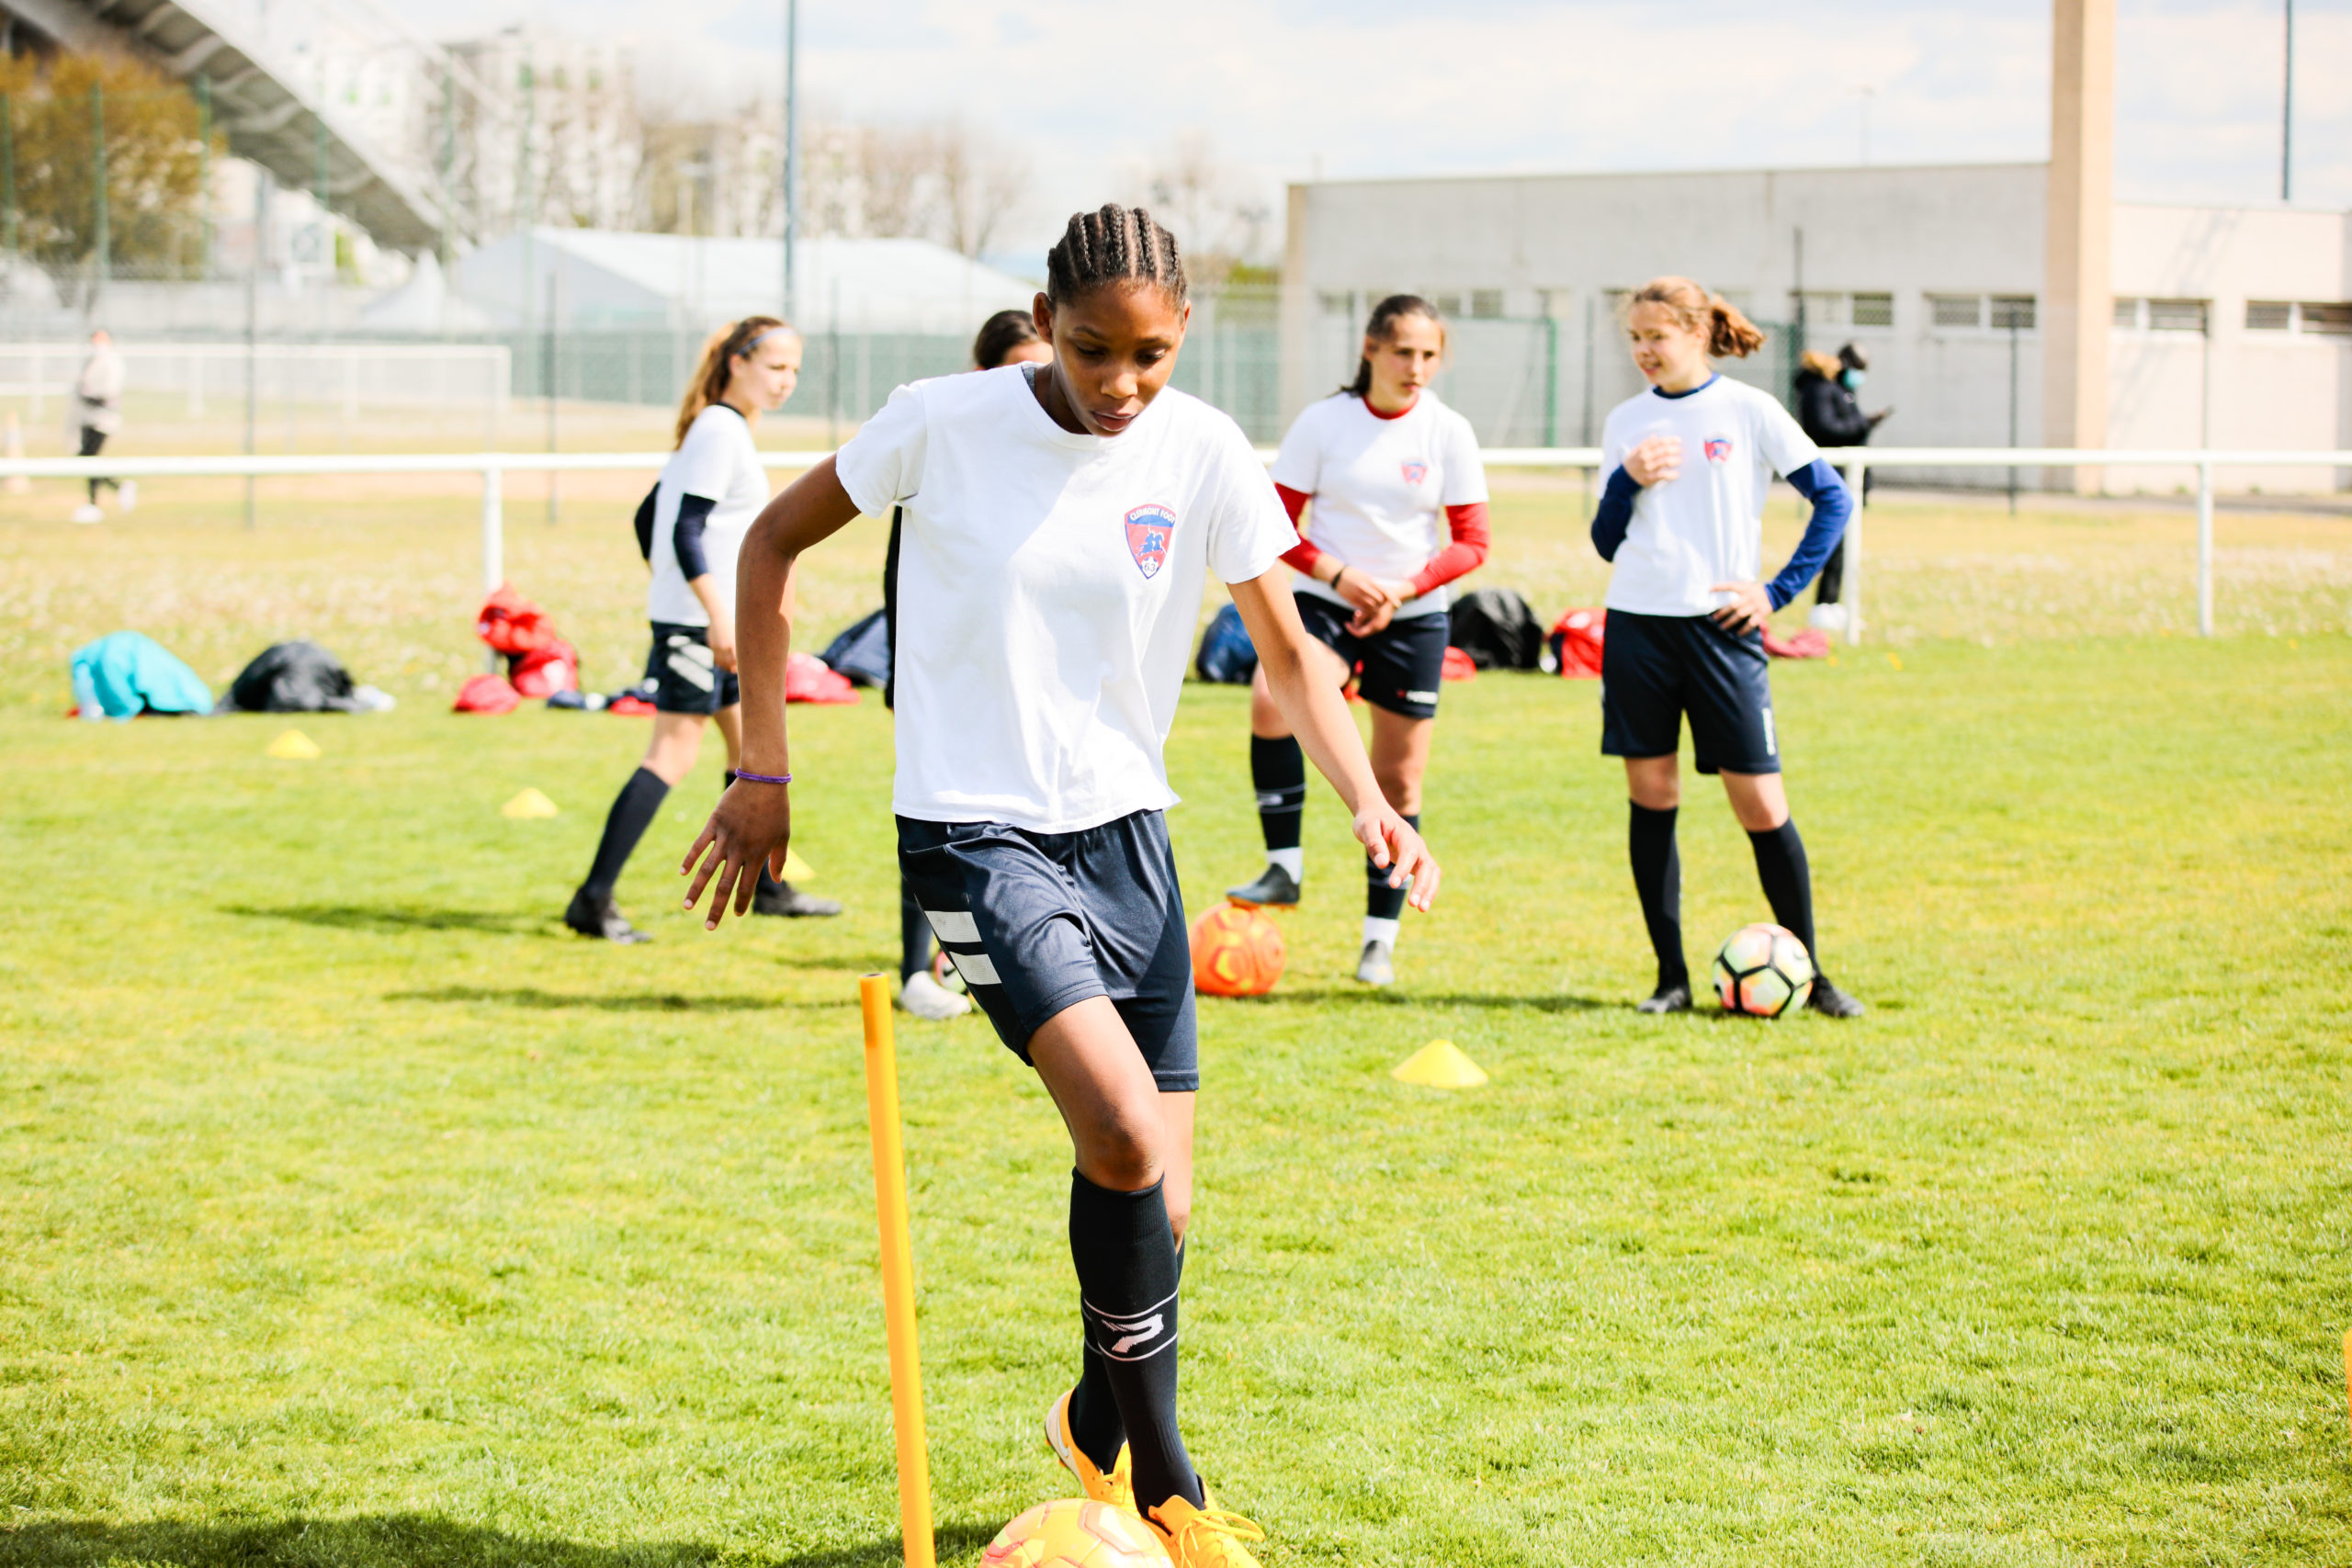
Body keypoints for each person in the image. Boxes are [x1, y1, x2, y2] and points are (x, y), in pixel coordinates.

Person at [684, 205, 1438, 1566]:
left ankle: (1089, 1412)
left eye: (1148, 355)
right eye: (1094, 351)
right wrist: (763, 764)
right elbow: (767, 550)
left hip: (1130, 839)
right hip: (974, 838)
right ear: (1048, 316)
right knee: (1129, 1142)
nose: (1121, 384)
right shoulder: (941, 419)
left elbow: (1286, 645)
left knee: (1172, 1201)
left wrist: (1374, 804)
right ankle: (1168, 1482)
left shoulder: (1202, 447)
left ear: (1185, 335)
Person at [1589, 276, 1865, 1018]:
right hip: (1638, 628)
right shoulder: (1625, 421)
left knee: (1761, 803)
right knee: (1653, 797)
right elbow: (1604, 540)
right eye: (1636, 339)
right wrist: (1627, 478)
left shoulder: (1748, 409)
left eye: (1659, 336)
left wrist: (1773, 593)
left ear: (1698, 332)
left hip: (1723, 632)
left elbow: (1833, 498)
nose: (1646, 351)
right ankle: (1669, 979)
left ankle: (1810, 977)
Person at [1224, 294, 1488, 986]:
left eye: (1430, 355)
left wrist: (1401, 589)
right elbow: (1275, 525)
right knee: (1269, 698)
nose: (1417, 367)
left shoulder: (1448, 431)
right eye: (1404, 351)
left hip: (1414, 614)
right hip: (1327, 602)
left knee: (1397, 777)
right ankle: (1285, 867)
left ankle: (1380, 938)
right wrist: (1342, 575)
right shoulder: (1323, 423)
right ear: (1370, 348)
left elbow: (1474, 543)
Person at [564, 315, 842, 942]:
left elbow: (648, 517)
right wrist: (711, 613)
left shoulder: (718, 428)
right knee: (671, 753)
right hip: (702, 628)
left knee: (751, 754)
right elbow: (685, 528)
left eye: (794, 370)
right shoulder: (720, 430)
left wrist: (673, 586)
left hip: (702, 620)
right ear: (736, 363)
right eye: (775, 367)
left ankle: (767, 889)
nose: (786, 381)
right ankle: (593, 897)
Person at [888, 308, 1056, 1021]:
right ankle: (915, 970)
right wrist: (907, 673)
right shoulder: (941, 440)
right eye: (1016, 367)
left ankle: (989, 961)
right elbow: (898, 576)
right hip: (950, 680)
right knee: (936, 818)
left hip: (1031, 683)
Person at [1792, 344, 1889, 606]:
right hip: (1831, 474)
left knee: (1841, 543)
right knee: (1833, 542)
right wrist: (1864, 423)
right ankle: (1825, 604)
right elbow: (1826, 429)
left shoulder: (1841, 390)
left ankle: (1830, 603)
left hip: (1846, 474)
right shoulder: (1821, 390)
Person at [70, 328, 131, 525]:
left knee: (90, 458)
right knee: (87, 459)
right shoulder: (92, 361)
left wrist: (88, 395)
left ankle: (108, 494)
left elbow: (108, 393)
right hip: (87, 417)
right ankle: (100, 498)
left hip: (103, 419)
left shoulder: (112, 362)